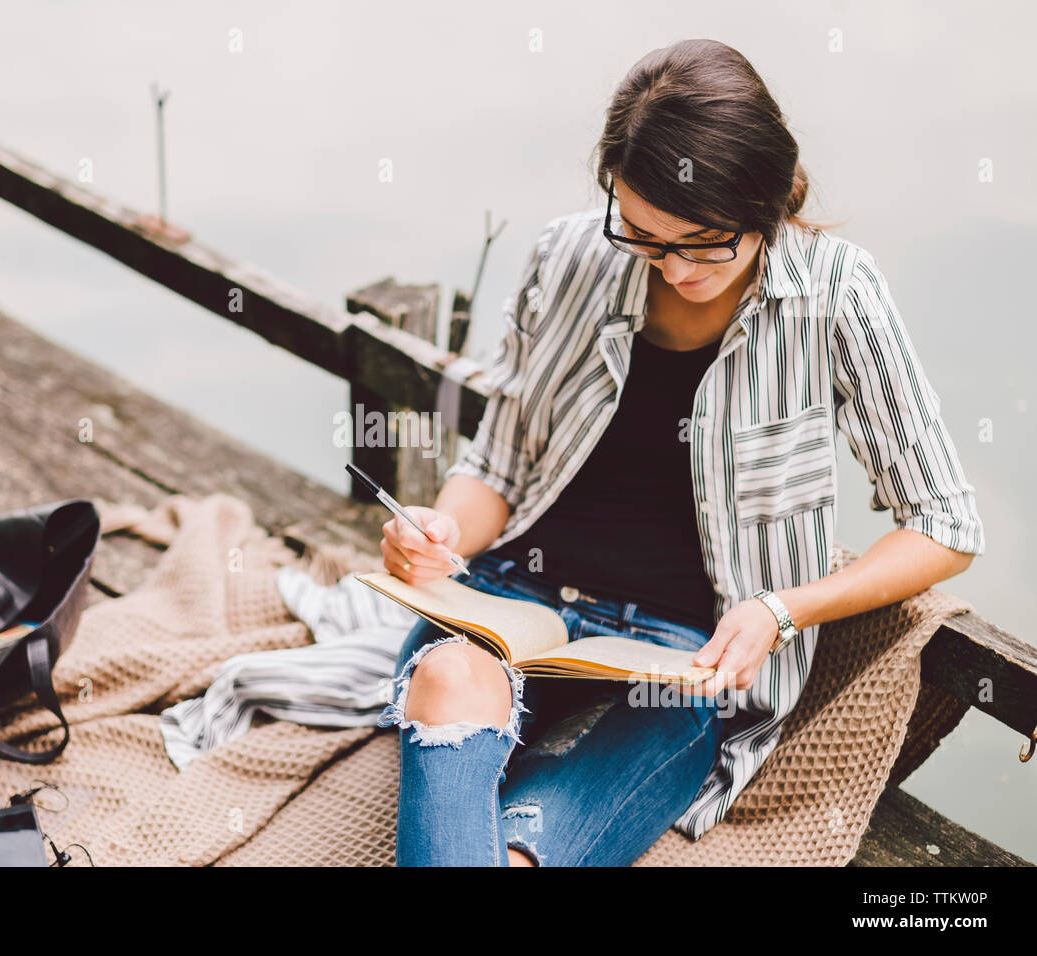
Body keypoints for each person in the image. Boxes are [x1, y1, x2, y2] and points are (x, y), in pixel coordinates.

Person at [374, 37, 985, 867]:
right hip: (510, 602)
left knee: (523, 855)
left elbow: (945, 524)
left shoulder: (836, 293)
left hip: (681, 657)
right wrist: (440, 534)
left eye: (703, 241)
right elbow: (498, 466)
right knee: (448, 679)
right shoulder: (568, 257)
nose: (672, 266)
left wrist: (781, 610)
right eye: (641, 233)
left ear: (766, 204)